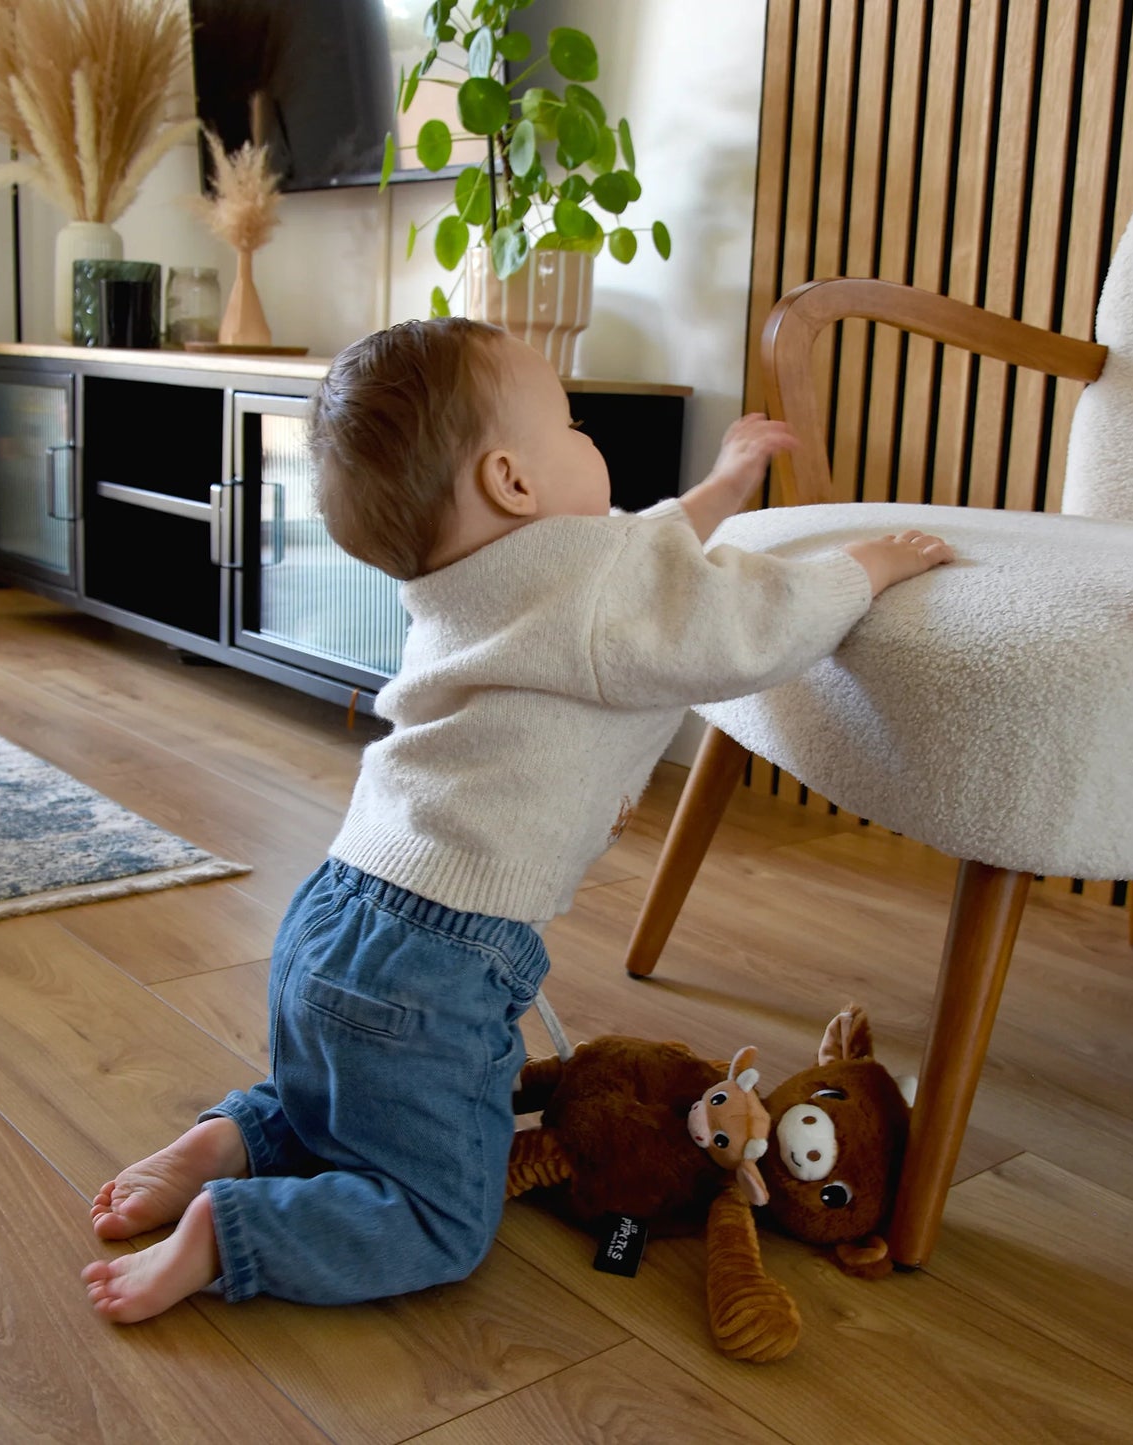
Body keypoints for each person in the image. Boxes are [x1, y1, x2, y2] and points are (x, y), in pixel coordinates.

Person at [81, 317, 954, 1323]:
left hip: (335, 907)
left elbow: (642, 555)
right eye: (572, 423)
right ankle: (234, 1229)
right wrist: (865, 568)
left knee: (349, 1094)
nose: (590, 441)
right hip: (436, 959)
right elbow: (738, 623)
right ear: (511, 480)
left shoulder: (467, 579)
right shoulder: (596, 588)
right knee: (444, 1214)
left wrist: (721, 485)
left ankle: (233, 1135)